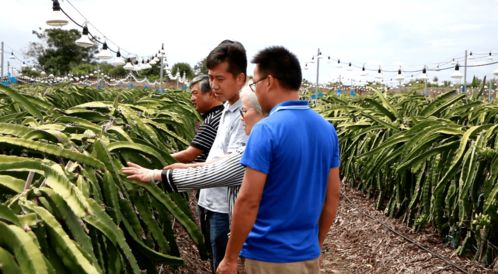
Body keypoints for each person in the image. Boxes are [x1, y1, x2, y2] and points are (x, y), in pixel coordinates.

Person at [217, 46, 341, 274]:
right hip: (307, 256)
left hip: (267, 256)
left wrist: (230, 258)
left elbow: (248, 200)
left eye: (254, 83)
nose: (255, 90)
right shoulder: (327, 129)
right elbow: (332, 196)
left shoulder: (265, 130)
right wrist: (316, 245)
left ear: (269, 81)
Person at [122, 89, 263, 217]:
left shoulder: (258, 151)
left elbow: (216, 172)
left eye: (244, 111)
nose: (240, 117)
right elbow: (225, 162)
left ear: (263, 114)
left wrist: (154, 174)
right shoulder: (257, 143)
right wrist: (187, 167)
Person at [171, 74, 224, 163]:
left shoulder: (212, 120)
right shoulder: (221, 114)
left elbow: (188, 155)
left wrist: (157, 157)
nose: (192, 98)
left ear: (211, 93)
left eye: (195, 93)